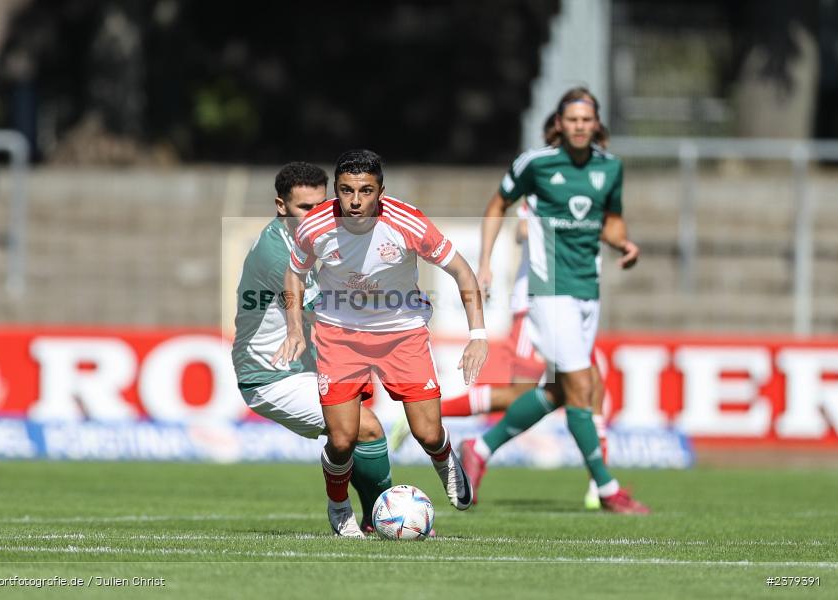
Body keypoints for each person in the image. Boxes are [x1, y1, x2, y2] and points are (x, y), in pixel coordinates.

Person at [273, 149, 488, 537]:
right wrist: (293, 329)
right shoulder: (315, 226)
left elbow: (462, 270)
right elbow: (294, 274)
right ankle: (339, 505)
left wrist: (477, 336)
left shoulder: (409, 223)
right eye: (346, 190)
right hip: (340, 333)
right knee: (341, 439)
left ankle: (445, 461)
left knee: (427, 433)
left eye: (365, 191)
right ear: (335, 190)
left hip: (402, 330)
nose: (355, 201)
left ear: (381, 192)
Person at [461, 87, 649, 514]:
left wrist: (625, 245)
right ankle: (606, 489)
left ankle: (480, 447)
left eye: (587, 120)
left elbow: (611, 222)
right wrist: (486, 262)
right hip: (547, 290)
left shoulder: (610, 169)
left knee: (562, 391)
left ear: (596, 124)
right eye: (572, 120)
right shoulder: (537, 164)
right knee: (584, 385)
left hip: (587, 290)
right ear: (560, 124)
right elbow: (497, 205)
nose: (580, 127)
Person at [232, 162, 393, 533]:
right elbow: (324, 314)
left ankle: (373, 520)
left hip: (306, 366)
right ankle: (356, 511)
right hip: (270, 375)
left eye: (322, 205)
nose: (315, 215)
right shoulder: (277, 251)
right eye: (305, 208)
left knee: (356, 432)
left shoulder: (318, 237)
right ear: (281, 206)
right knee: (363, 428)